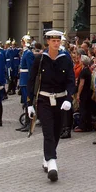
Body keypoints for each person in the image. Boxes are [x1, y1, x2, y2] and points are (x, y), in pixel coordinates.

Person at [27, 30, 75, 182]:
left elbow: (70, 80)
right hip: (44, 99)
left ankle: (46, 157)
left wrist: (68, 98)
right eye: (53, 41)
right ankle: (52, 163)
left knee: (56, 131)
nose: (56, 43)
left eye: (58, 40)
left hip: (60, 100)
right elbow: (31, 80)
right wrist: (29, 104)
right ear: (48, 41)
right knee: (48, 130)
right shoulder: (40, 59)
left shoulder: (65, 59)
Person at [16, 33, 35, 132]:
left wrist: (30, 82)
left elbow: (31, 69)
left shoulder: (28, 53)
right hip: (23, 80)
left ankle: (29, 123)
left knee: (28, 102)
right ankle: (26, 123)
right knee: (25, 102)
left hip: (26, 80)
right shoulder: (25, 53)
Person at [74, 55, 93, 132]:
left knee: (83, 109)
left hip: (84, 93)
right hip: (88, 92)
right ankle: (88, 125)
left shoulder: (83, 72)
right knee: (87, 109)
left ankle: (83, 126)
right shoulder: (88, 70)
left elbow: (81, 84)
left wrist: (78, 94)